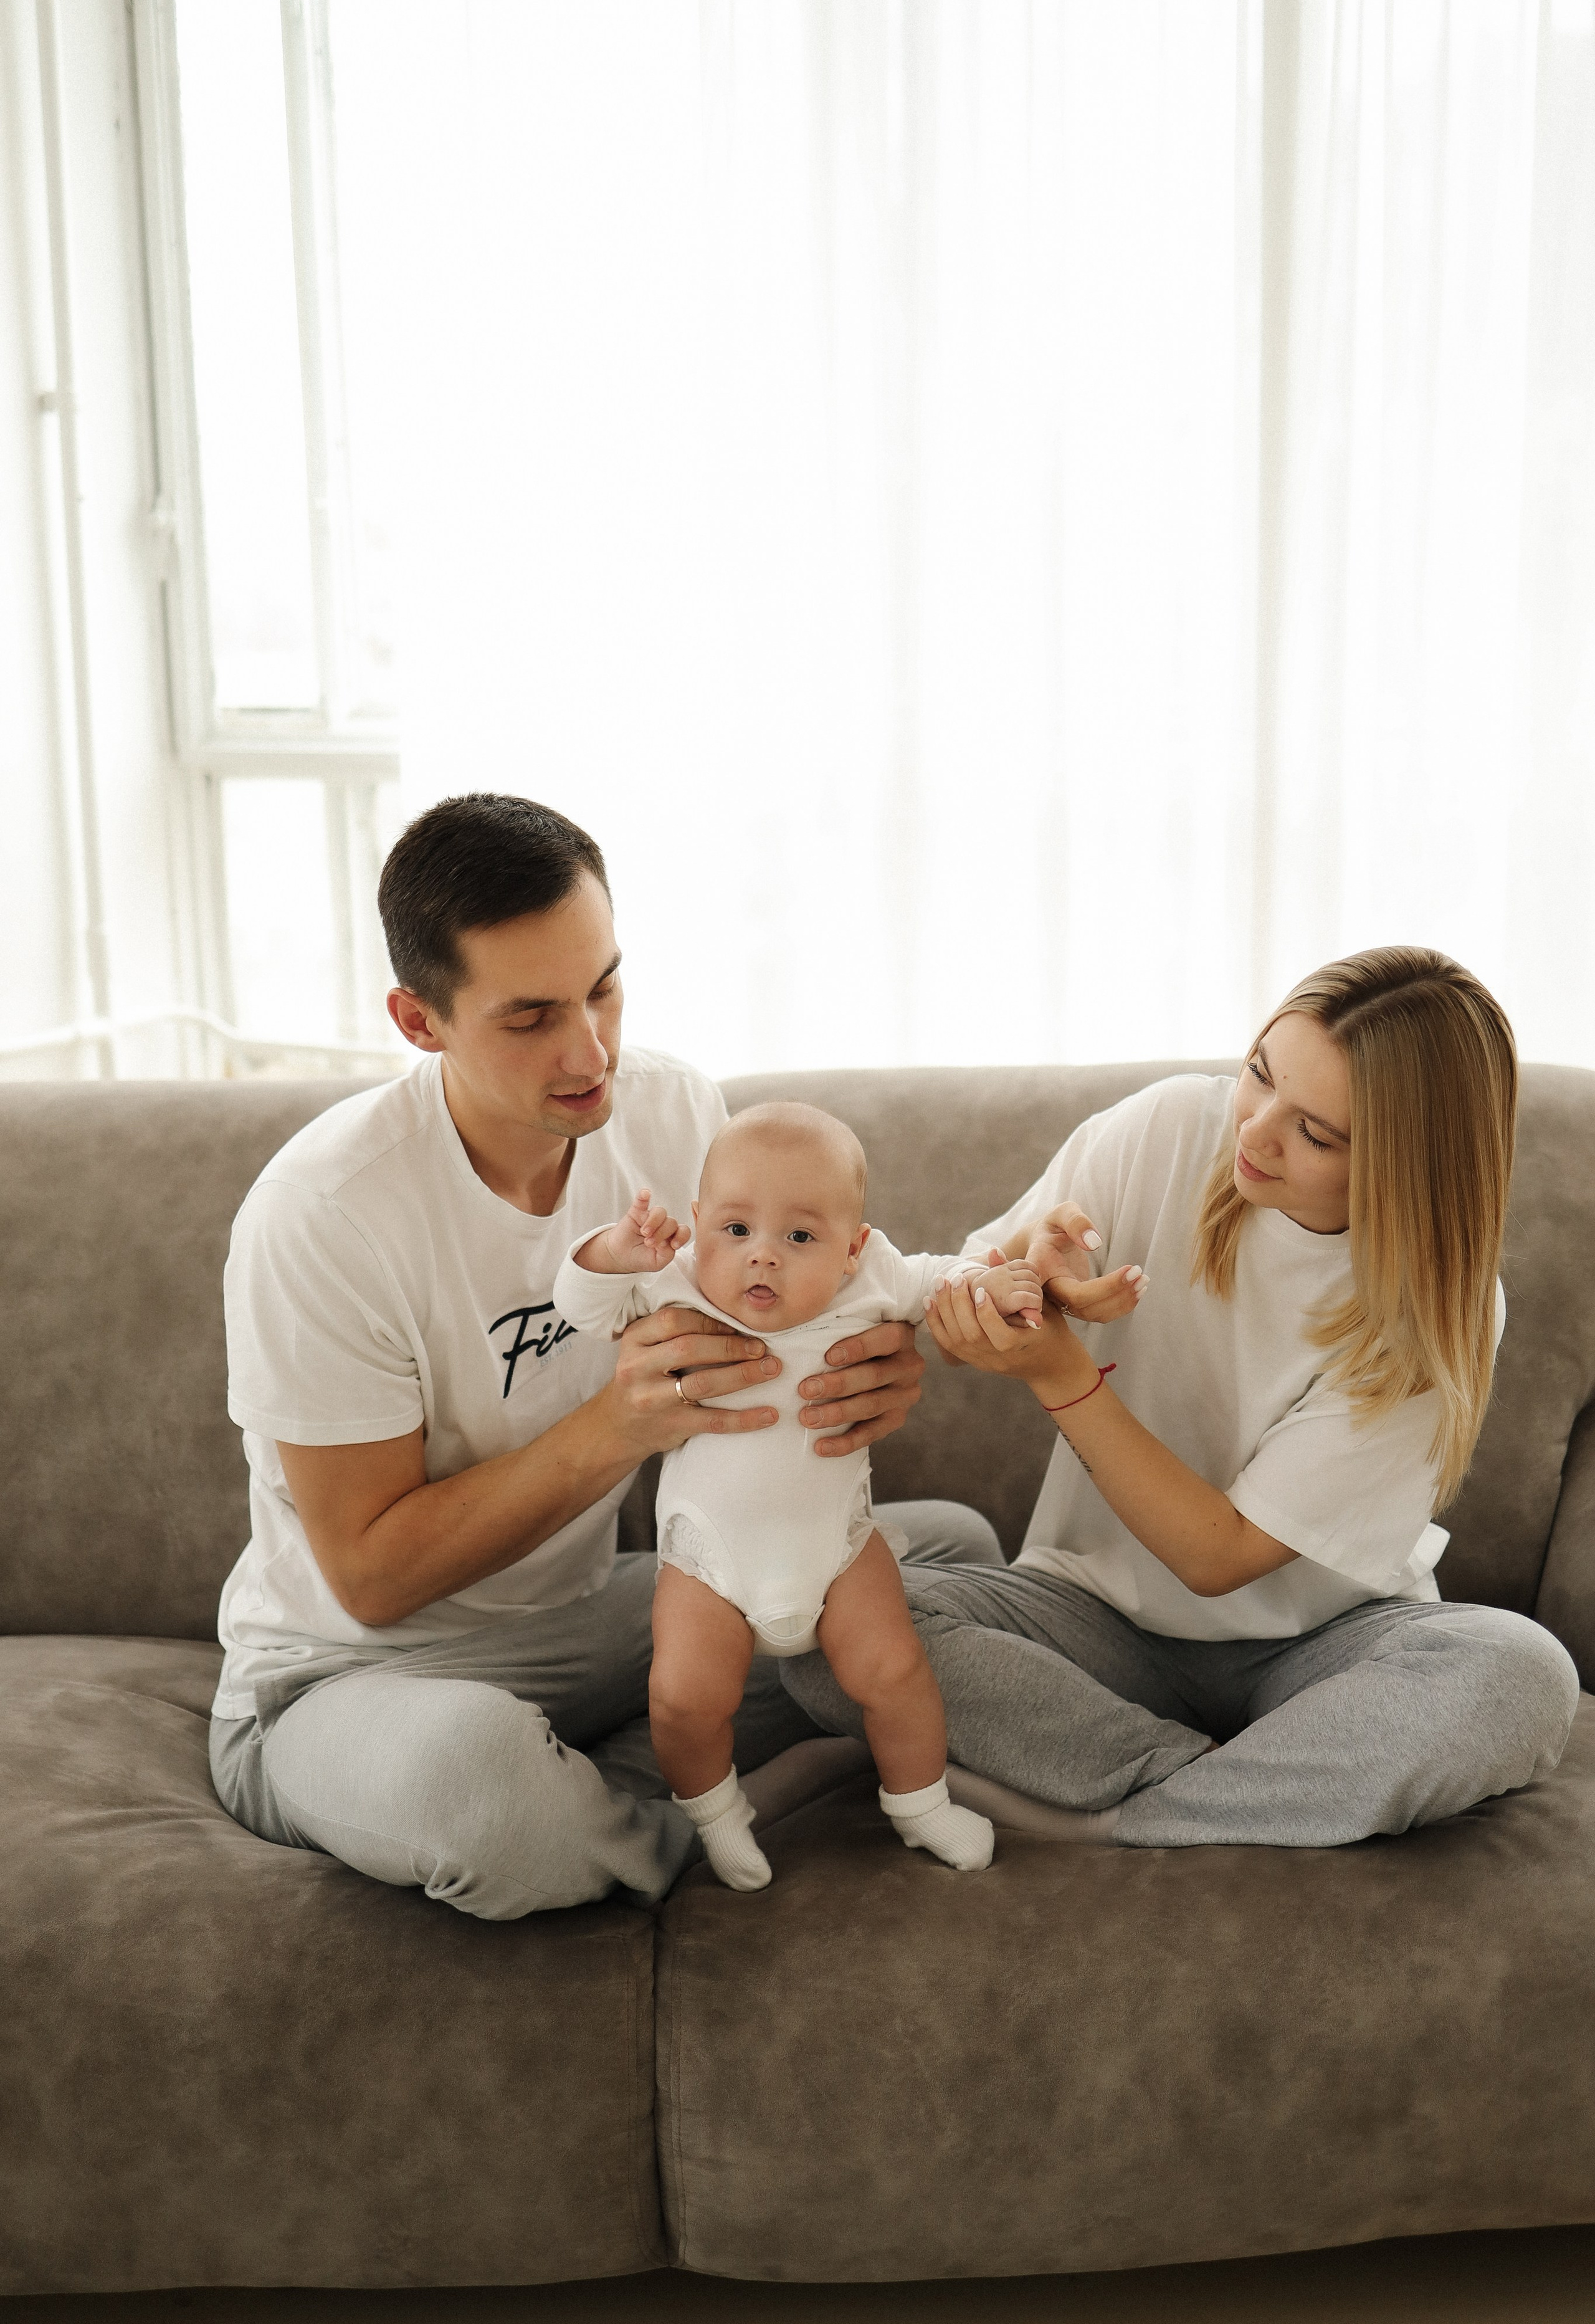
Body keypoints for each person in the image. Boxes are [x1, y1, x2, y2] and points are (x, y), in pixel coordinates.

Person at [208, 793, 1001, 1918]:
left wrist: (869, 1370)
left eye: (605, 988)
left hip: (584, 1623)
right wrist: (616, 1427)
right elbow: (372, 1578)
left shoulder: (675, 1114)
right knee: (479, 1792)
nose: (591, 1052)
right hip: (350, 1673)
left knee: (955, 1553)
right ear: (419, 1020)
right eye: (530, 1017)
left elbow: (788, 1329)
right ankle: (680, 1812)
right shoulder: (322, 1213)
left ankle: (652, 1784)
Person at [784, 947, 1581, 1848]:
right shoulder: (1165, 1128)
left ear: (1406, 1168)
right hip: (1094, 1620)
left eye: (1316, 1134)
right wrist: (1013, 1285)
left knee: (1521, 1674)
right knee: (815, 1618)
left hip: (1324, 1647)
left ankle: (1119, 1814)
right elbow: (953, 1303)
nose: (1256, 1132)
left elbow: (1221, 1554)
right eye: (1260, 1074)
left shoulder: (1442, 1311)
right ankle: (1219, 1788)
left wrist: (1063, 1375)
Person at [556, 1102, 1041, 1887]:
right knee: (681, 1699)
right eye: (737, 1230)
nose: (763, 1259)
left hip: (839, 1550)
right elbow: (582, 1308)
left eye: (800, 1237)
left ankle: (921, 1805)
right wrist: (613, 1252)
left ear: (852, 1250)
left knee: (895, 1674)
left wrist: (990, 1283)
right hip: (708, 1563)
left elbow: (941, 1277)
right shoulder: (675, 1282)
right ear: (697, 1222)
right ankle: (718, 1817)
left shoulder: (875, 1276)